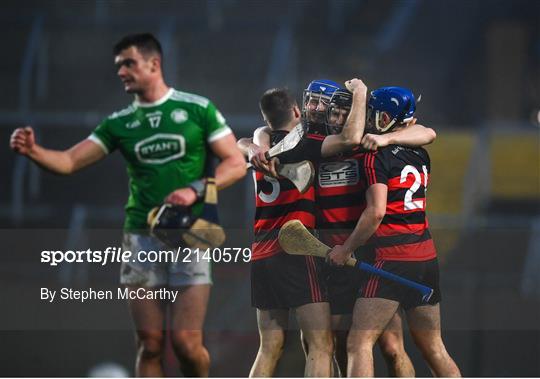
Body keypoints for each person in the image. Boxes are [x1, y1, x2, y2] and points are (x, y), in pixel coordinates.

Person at [10, 33, 246, 377]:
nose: (121, 71)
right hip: (140, 237)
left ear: (154, 64)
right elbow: (68, 162)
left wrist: (196, 189)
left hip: (190, 236)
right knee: (149, 344)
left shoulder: (197, 108)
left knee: (185, 343)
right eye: (119, 65)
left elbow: (236, 163)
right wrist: (33, 151)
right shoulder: (118, 124)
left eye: (129, 63)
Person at [237, 79, 369, 377]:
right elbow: (349, 139)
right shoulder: (304, 143)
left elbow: (246, 140)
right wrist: (360, 94)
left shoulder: (262, 147)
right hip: (295, 250)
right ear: (297, 110)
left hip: (261, 253)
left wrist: (251, 143)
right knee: (321, 345)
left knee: (269, 347)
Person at [328, 86, 461, 377]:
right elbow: (426, 132)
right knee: (434, 347)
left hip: (392, 259)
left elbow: (376, 212)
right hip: (426, 257)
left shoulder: (376, 157)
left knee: (358, 342)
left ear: (386, 117)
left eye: (375, 114)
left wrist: (346, 248)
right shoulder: (420, 153)